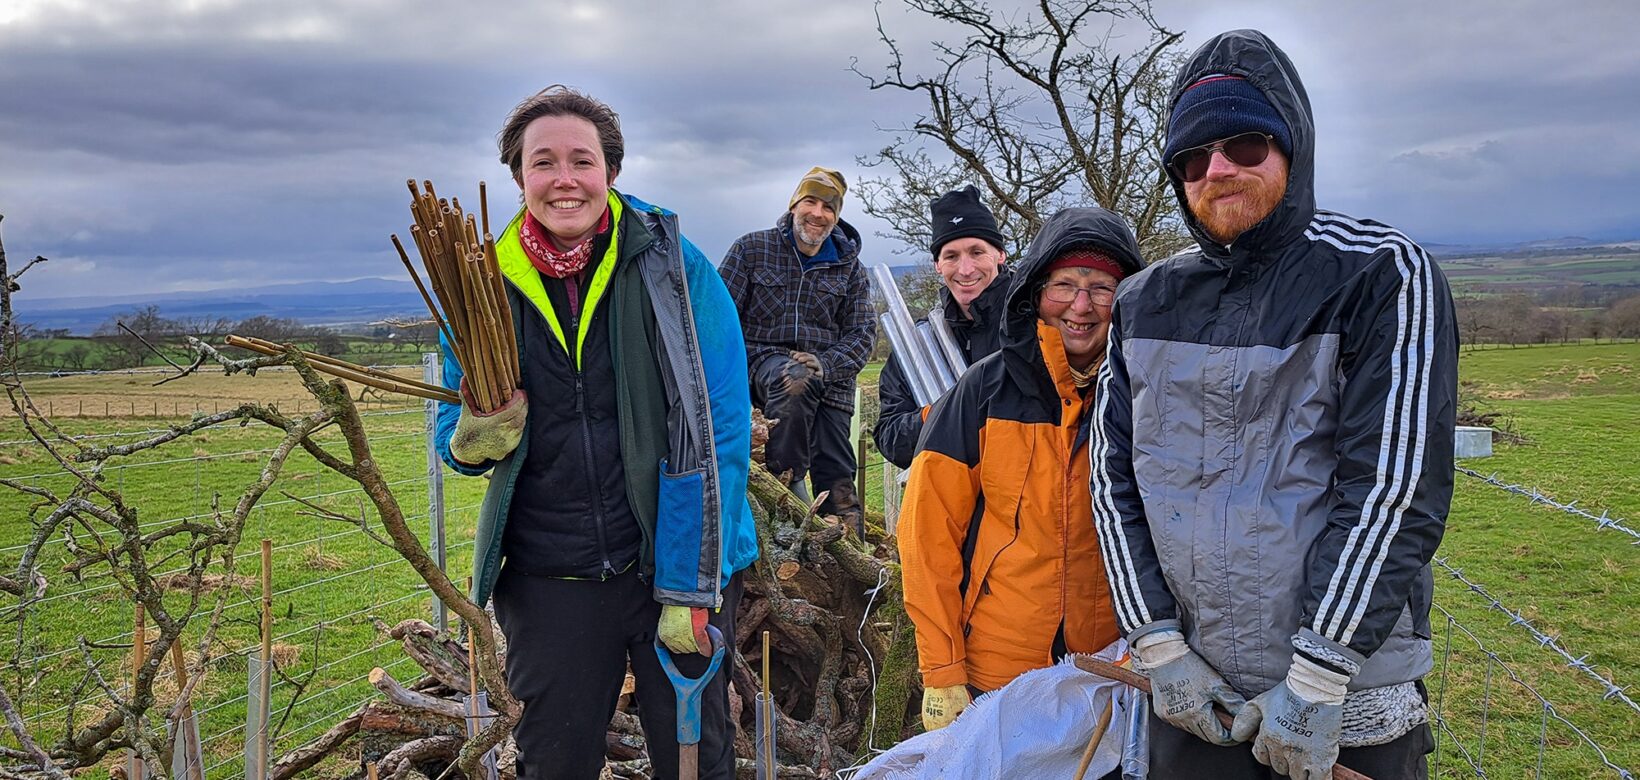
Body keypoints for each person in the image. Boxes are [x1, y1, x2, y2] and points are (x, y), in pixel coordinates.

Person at [1091, 30, 1456, 780]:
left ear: (1294, 148)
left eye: (1246, 145)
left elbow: (1392, 487)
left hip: (1344, 698)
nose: (1217, 170)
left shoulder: (1379, 274)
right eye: (1193, 157)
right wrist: (1157, 646)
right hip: (1200, 699)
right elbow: (1111, 481)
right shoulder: (1145, 301)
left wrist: (1320, 672)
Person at [433, 85, 758, 780]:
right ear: (519, 176)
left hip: (671, 565)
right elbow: (448, 429)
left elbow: (722, 426)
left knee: (697, 764)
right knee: (553, 763)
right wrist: (468, 438)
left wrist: (691, 586)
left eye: (581, 160)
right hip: (550, 578)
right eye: (542, 162)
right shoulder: (482, 283)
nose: (564, 179)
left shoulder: (675, 269)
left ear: (610, 171)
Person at [898, 206, 1143, 733]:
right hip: (998, 662)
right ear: (1036, 291)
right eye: (1064, 285)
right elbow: (928, 534)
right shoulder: (983, 391)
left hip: (1107, 664)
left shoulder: (1146, 394)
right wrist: (942, 669)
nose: (1081, 305)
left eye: (1102, 287)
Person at [719, 168, 876, 524]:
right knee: (796, 378)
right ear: (794, 205)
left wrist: (827, 363)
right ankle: (787, 487)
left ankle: (857, 569)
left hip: (829, 383)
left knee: (839, 483)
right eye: (810, 201)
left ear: (836, 216)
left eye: (828, 207)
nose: (817, 213)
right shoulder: (752, 249)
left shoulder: (851, 269)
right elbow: (718, 318)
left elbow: (863, 332)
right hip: (760, 368)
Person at [871, 184, 1012, 469]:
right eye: (951, 256)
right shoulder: (918, 343)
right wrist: (938, 415)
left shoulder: (1034, 324)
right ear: (937, 264)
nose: (965, 269)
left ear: (1000, 254)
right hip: (952, 499)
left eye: (976, 252)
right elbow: (890, 438)